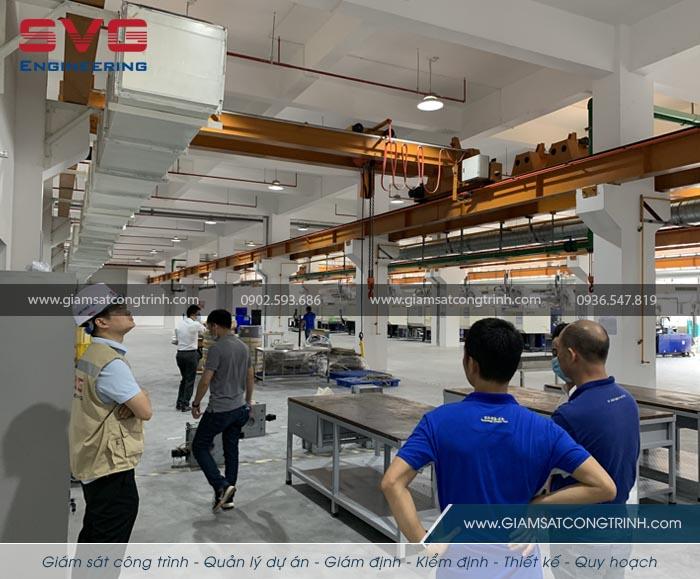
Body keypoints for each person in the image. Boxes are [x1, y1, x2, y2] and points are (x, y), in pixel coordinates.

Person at [381, 317, 616, 544]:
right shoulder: (544, 430)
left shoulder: (438, 422)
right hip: (520, 557)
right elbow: (604, 487)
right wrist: (537, 506)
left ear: (470, 363)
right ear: (513, 367)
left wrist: (422, 541)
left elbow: (392, 482)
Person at [70, 284, 153, 543]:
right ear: (101, 322)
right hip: (109, 465)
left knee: (95, 532)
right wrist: (140, 396)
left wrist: (136, 397)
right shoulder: (111, 364)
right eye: (119, 309)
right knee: (107, 541)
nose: (127, 311)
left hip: (93, 459)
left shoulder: (93, 354)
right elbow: (145, 410)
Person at [551, 320, 640, 504]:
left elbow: (545, 472)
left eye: (558, 352)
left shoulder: (569, 416)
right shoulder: (627, 400)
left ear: (571, 355)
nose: (556, 358)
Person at [191, 309, 255, 512]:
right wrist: (248, 402)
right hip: (239, 408)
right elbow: (250, 376)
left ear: (216, 325)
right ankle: (227, 497)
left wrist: (196, 403)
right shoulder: (243, 347)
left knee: (199, 446)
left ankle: (221, 485)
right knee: (231, 450)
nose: (209, 331)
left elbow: (205, 380)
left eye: (210, 327)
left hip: (220, 409)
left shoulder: (217, 349)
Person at [173, 304, 206, 412]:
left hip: (180, 354)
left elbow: (175, 340)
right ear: (194, 314)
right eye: (198, 314)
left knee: (184, 379)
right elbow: (205, 331)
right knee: (190, 380)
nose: (198, 316)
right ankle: (185, 404)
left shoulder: (180, 324)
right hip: (190, 355)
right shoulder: (195, 324)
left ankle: (179, 402)